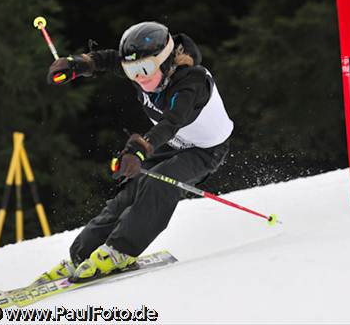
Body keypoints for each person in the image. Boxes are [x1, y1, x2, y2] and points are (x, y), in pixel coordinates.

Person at [36, 21, 233, 283]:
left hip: (207, 150)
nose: (139, 77)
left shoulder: (191, 82)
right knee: (129, 191)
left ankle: (121, 250)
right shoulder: (145, 69)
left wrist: (140, 148)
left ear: (164, 62)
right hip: (174, 144)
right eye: (131, 71)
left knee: (160, 182)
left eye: (145, 69)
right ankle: (81, 255)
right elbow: (108, 59)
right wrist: (78, 64)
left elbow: (171, 123)